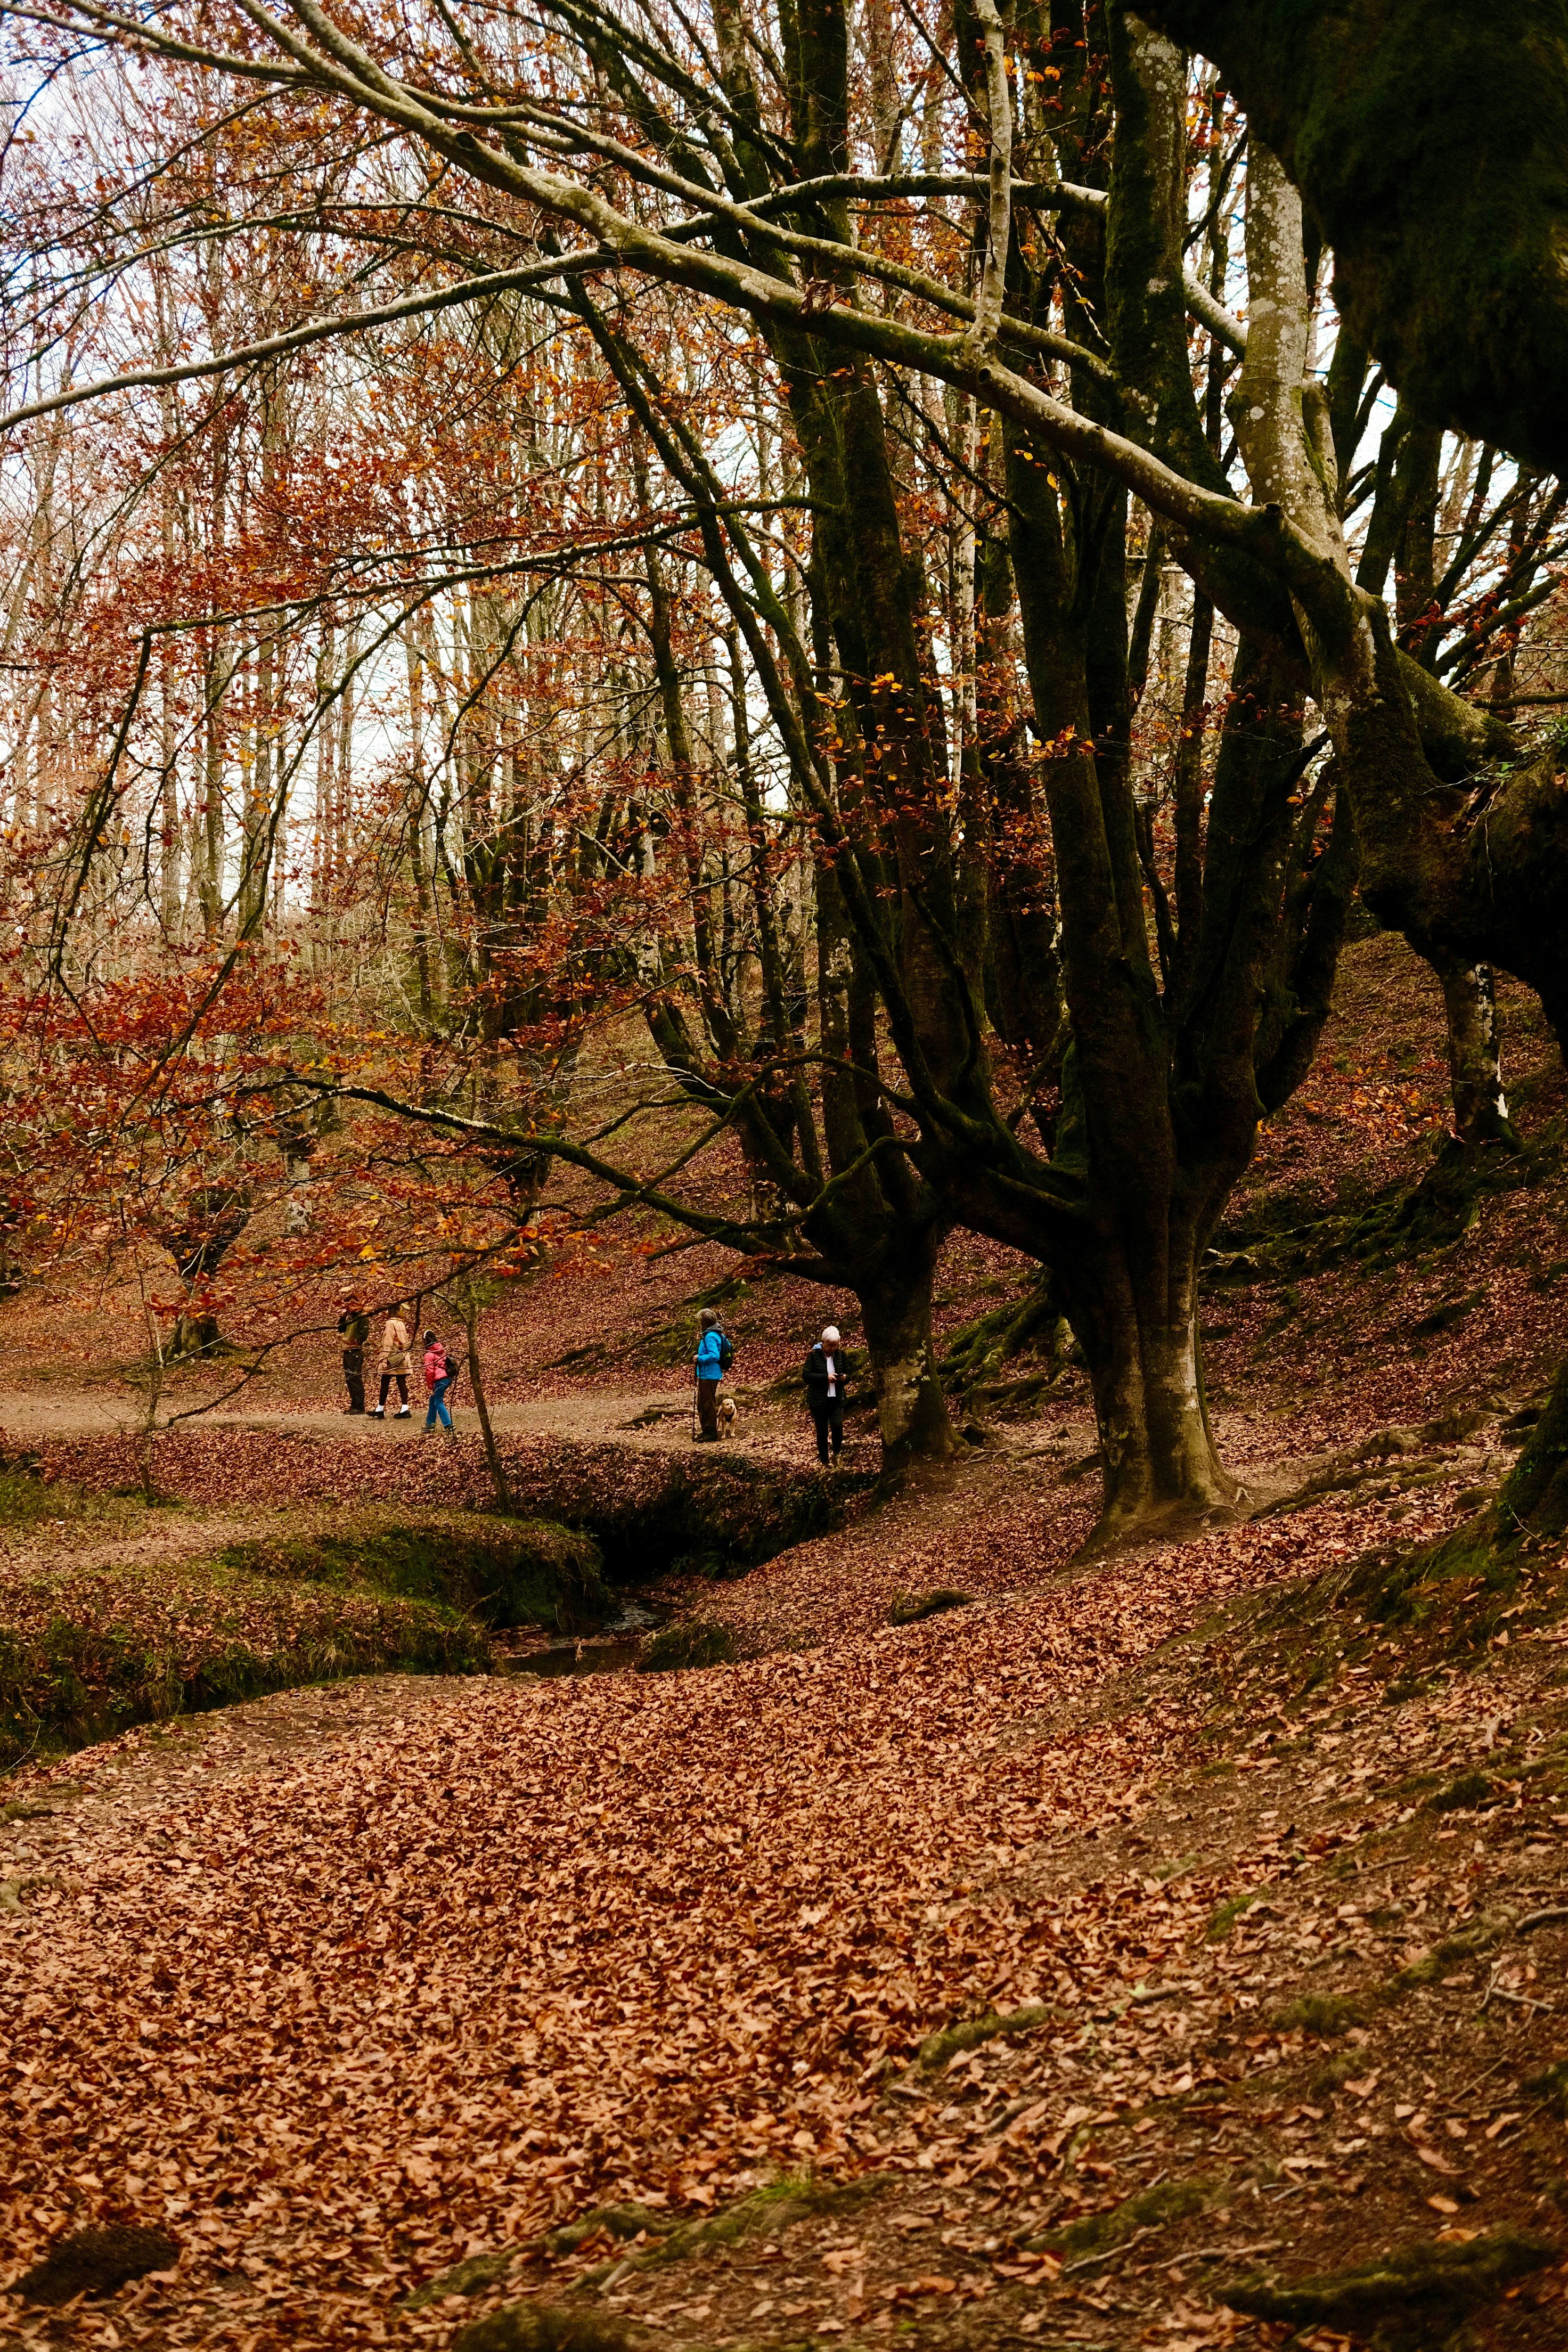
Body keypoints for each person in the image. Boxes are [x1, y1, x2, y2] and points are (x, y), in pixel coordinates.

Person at [803, 1324, 847, 1465]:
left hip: (837, 1398)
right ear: (823, 1343)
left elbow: (848, 1372)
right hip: (818, 1401)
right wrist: (825, 1378)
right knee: (822, 1431)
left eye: (836, 1345)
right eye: (830, 1345)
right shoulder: (814, 1356)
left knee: (837, 1427)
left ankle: (837, 1454)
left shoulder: (841, 1355)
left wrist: (845, 1378)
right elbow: (806, 1376)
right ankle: (824, 1461)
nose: (833, 1348)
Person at [693, 1307, 732, 1442]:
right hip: (707, 1374)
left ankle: (711, 1433)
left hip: (709, 1374)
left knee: (707, 1403)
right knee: (702, 1403)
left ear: (704, 1322)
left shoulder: (710, 1336)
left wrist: (699, 1358)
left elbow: (714, 1355)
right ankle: (707, 1431)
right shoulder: (713, 1334)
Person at [369, 1302, 413, 1418]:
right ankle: (405, 1408)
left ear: (391, 1311)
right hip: (402, 1356)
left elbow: (388, 1342)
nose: (385, 1312)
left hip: (392, 1358)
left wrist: (384, 1359)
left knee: (385, 1382)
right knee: (401, 1382)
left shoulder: (390, 1323)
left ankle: (380, 1409)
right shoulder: (401, 1323)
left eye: (387, 1310)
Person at [337, 1297, 370, 1414]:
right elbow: (340, 1329)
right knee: (349, 1379)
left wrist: (355, 1344)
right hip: (346, 1351)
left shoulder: (362, 1317)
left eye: (349, 1305)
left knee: (355, 1378)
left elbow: (364, 1334)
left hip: (355, 1352)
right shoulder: (350, 1317)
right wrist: (343, 1316)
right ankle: (354, 1404)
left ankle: (359, 1406)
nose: (348, 1308)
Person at [421, 1328, 456, 1435]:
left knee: (438, 1401)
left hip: (439, 1380)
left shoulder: (429, 1355)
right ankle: (430, 1423)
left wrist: (431, 1386)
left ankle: (448, 1424)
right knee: (433, 1400)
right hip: (447, 1378)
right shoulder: (440, 1351)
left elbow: (430, 1371)